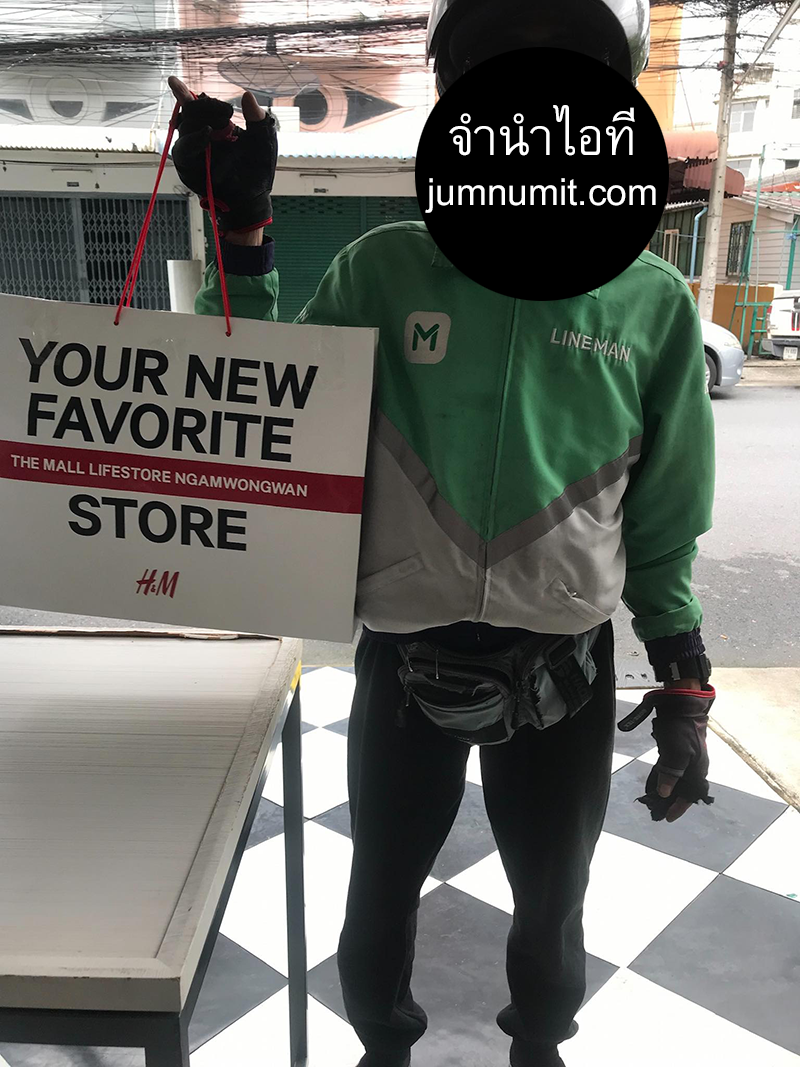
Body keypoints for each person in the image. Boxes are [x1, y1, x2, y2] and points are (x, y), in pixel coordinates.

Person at [168, 2, 716, 1064]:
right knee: (378, 890)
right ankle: (382, 1047)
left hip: (564, 665)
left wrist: (684, 680)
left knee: (552, 903)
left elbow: (663, 517)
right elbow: (258, 405)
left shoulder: (646, 301)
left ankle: (538, 1046)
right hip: (404, 655)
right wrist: (241, 235)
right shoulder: (382, 269)